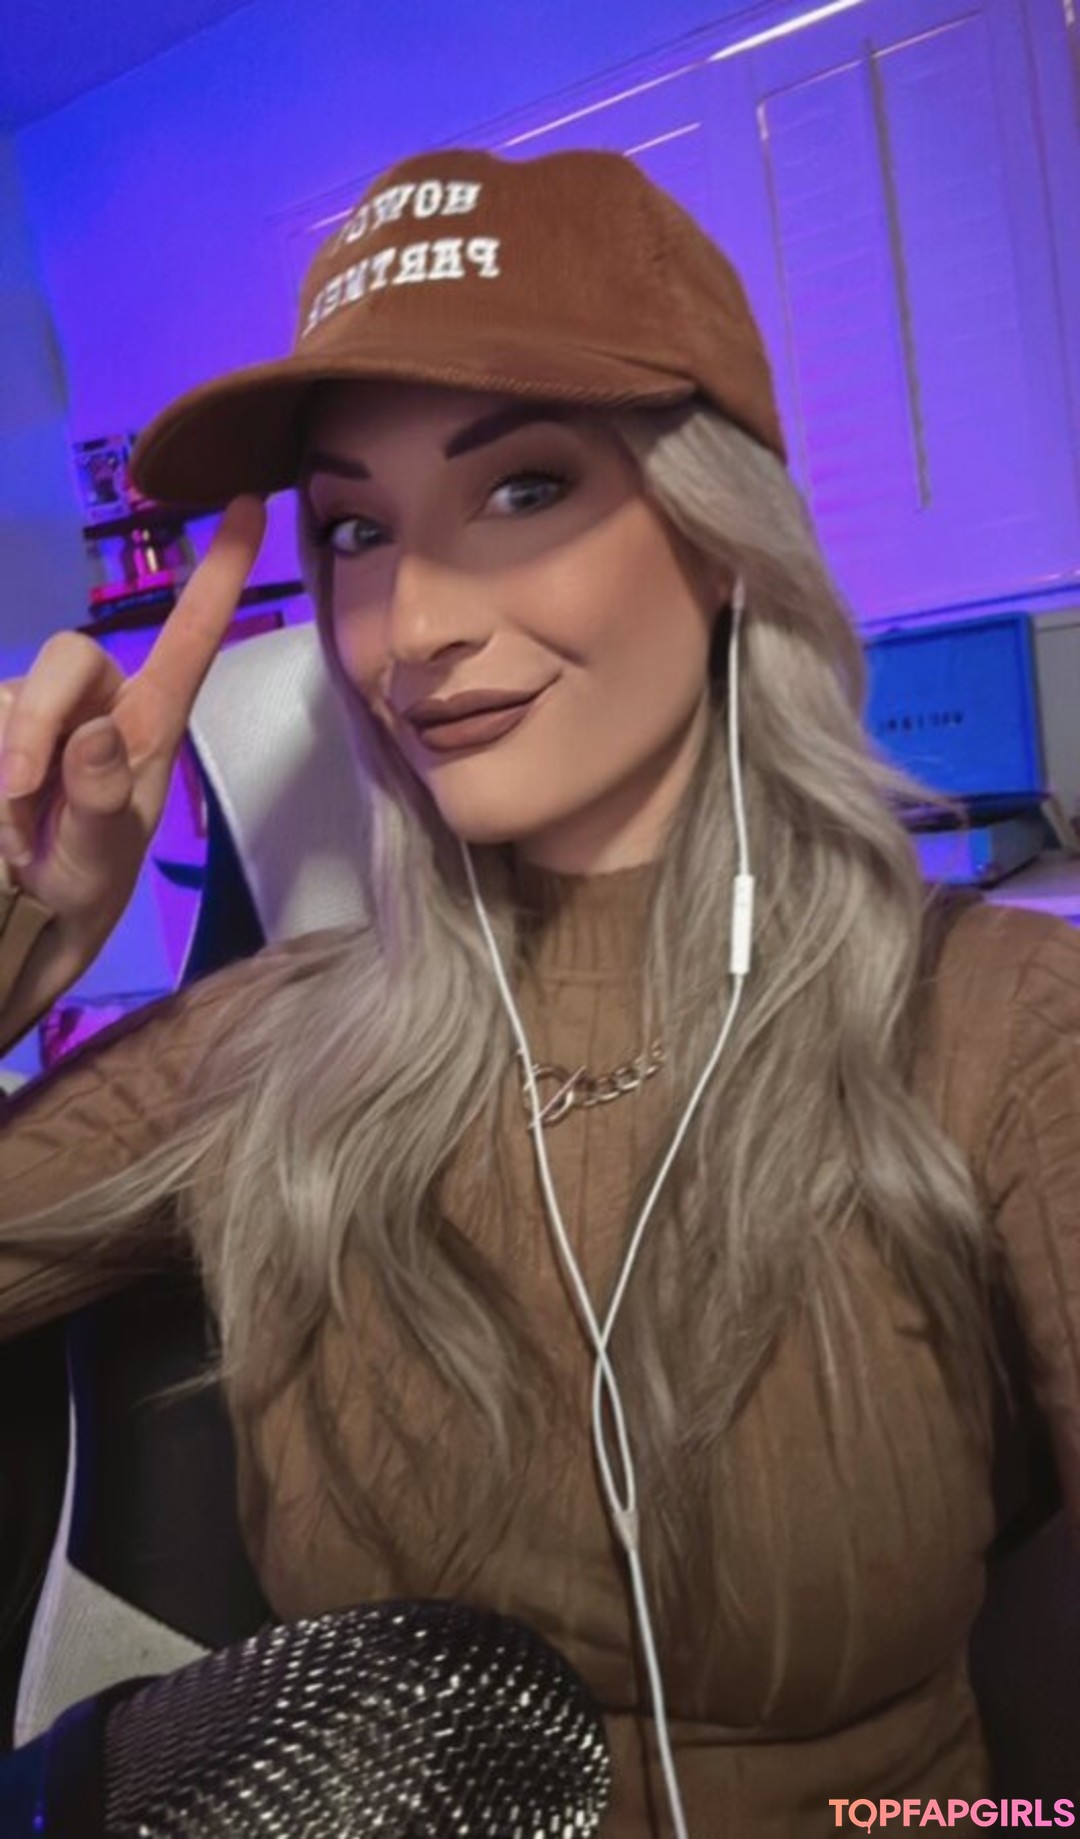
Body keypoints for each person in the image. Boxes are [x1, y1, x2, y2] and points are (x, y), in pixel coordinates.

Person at [0, 145, 1079, 1838]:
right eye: (356, 531)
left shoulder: (1005, 1026)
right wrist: (29, 927)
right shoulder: (273, 1042)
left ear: (722, 540)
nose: (411, 623)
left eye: (521, 489)